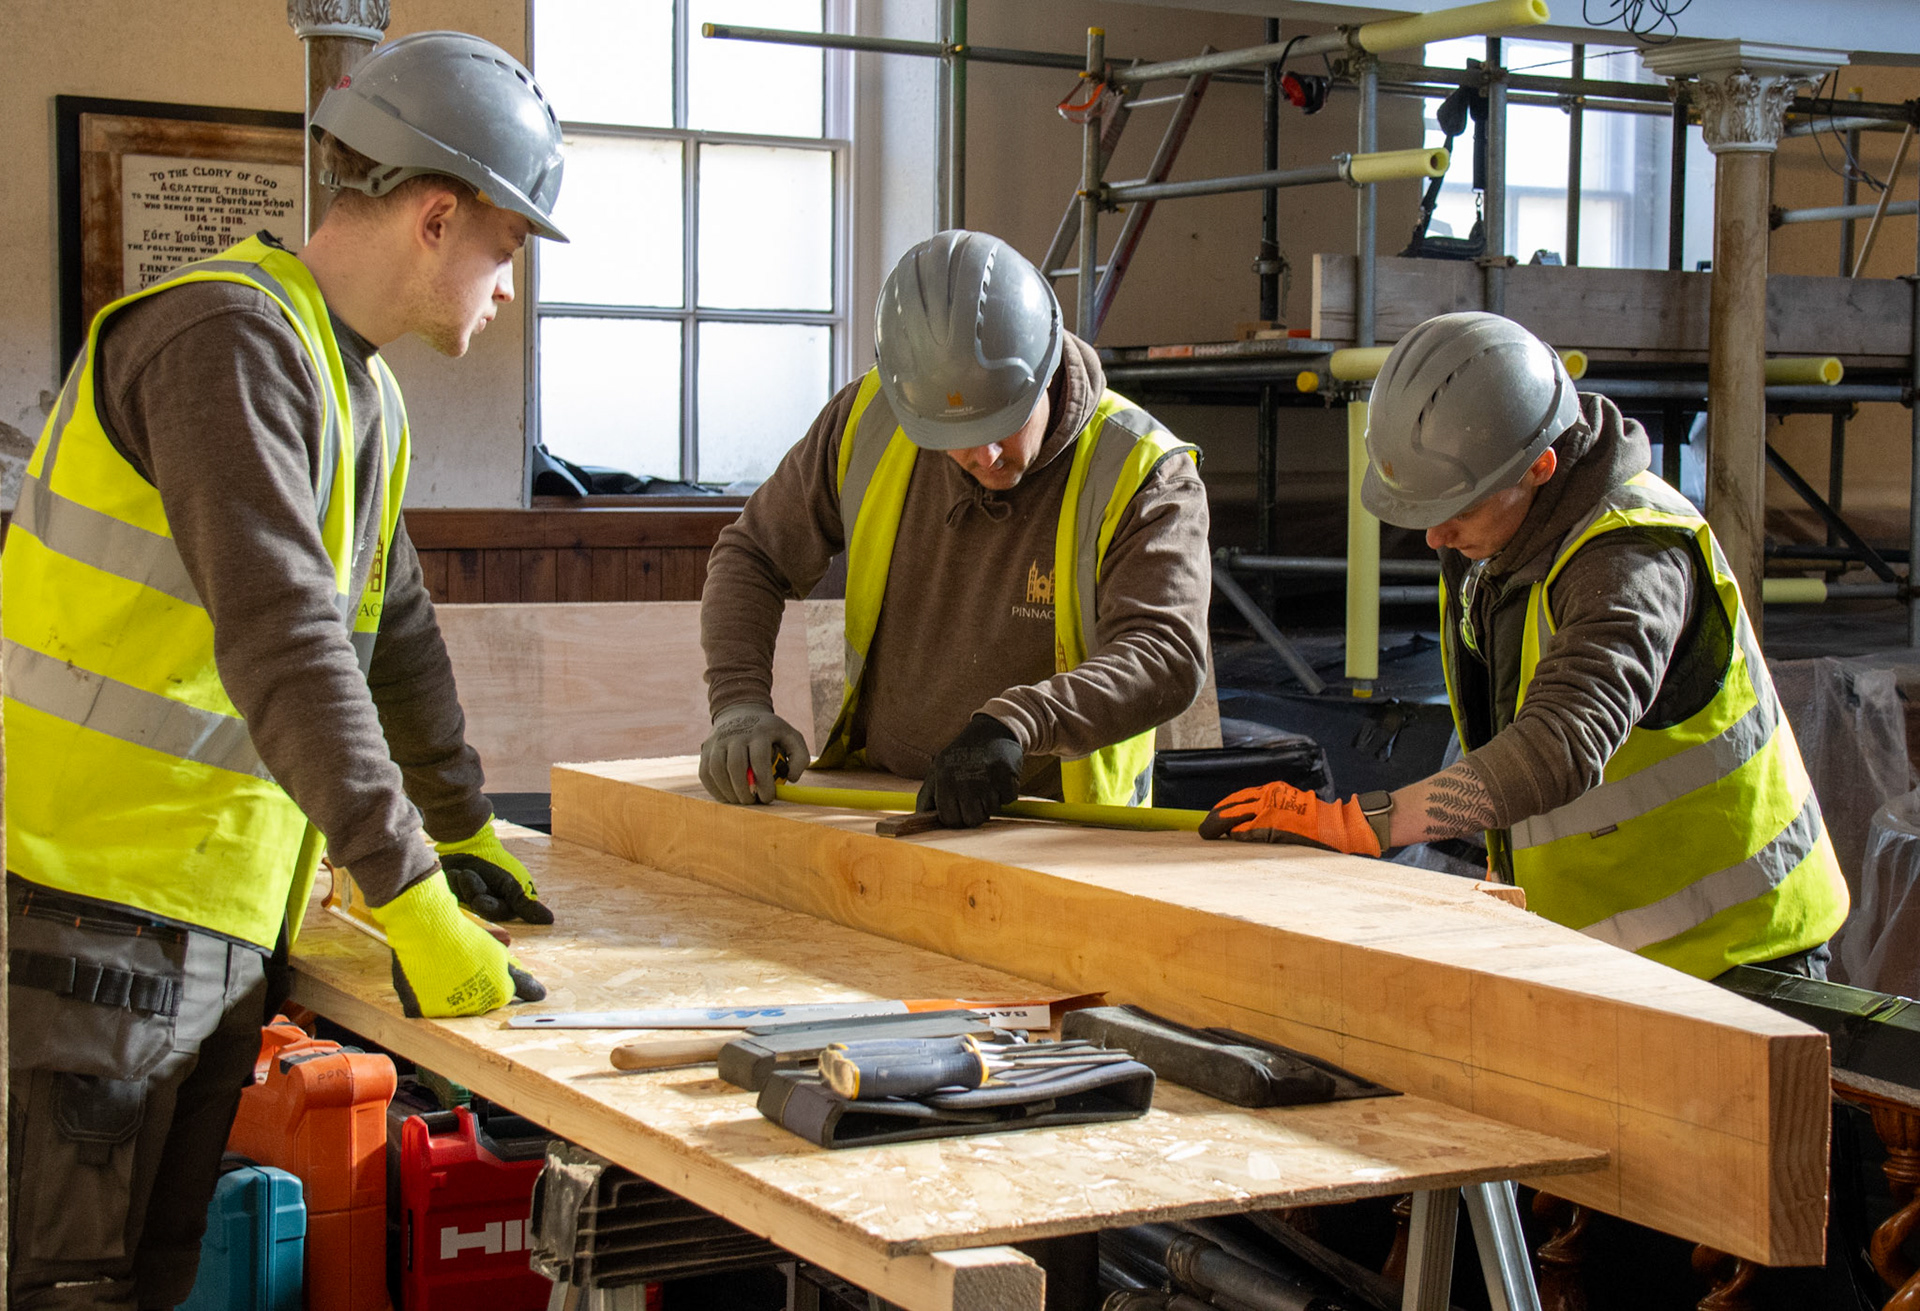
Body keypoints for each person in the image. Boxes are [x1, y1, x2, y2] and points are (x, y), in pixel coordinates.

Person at [2, 32, 565, 1309]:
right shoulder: (226, 342)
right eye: (508, 246)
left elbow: (392, 621)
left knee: (155, 1280)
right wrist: (407, 891)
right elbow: (285, 636)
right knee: (76, 1290)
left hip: (208, 906)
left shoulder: (353, 385)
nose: (509, 286)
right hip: (103, 897)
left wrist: (467, 823)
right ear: (435, 216)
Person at [1201, 311, 1849, 982]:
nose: (1434, 536)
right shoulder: (1494, 534)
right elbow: (1497, 725)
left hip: (1739, 954)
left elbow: (1557, 746)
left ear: (1540, 466)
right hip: (1607, 955)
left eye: (1454, 511)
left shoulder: (1629, 560)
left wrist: (1362, 822)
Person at [698, 229, 1212, 827]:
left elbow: (1165, 653)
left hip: (1062, 830)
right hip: (878, 802)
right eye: (950, 438)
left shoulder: (1143, 470)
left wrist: (1017, 724)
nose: (985, 455)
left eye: (1006, 422)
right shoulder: (869, 419)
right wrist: (737, 704)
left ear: (1048, 368)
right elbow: (752, 554)